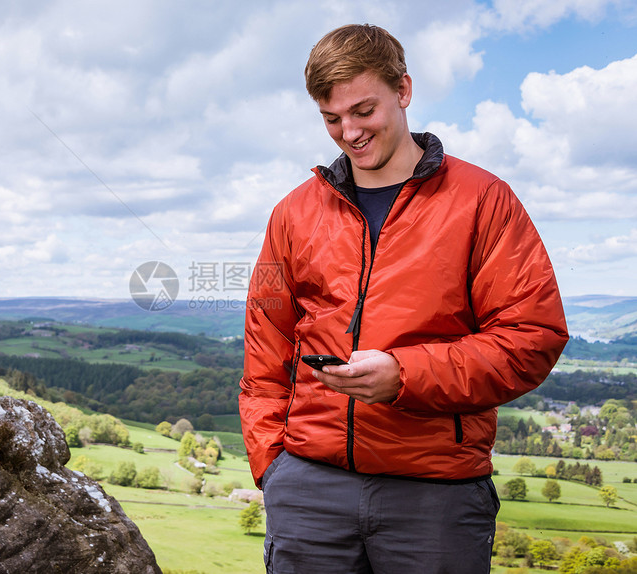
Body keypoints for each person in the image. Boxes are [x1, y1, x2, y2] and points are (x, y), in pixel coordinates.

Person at [239, 24, 568, 573]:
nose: (348, 131)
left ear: (404, 90)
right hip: (306, 490)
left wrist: (406, 373)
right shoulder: (291, 213)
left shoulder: (484, 201)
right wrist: (272, 464)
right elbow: (266, 342)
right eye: (331, 118)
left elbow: (533, 337)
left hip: (435, 497)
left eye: (363, 111)